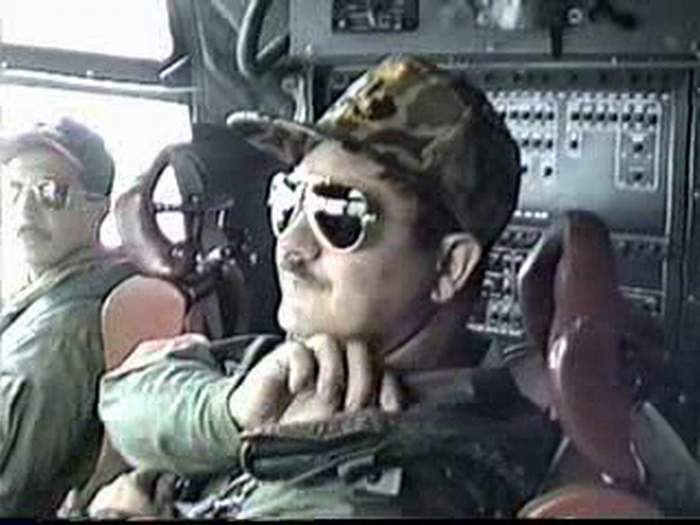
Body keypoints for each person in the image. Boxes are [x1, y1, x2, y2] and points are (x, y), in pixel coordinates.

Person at [97, 55, 559, 518]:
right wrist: (230, 412)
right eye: (288, 201)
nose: (289, 247)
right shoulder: (314, 363)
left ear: (449, 268)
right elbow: (125, 397)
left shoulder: (394, 491)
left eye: (338, 215)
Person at [0, 118, 134, 517]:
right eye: (14, 189)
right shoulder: (45, 295)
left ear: (98, 209)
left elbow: (11, 491)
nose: (24, 210)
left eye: (50, 192)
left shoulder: (64, 331)